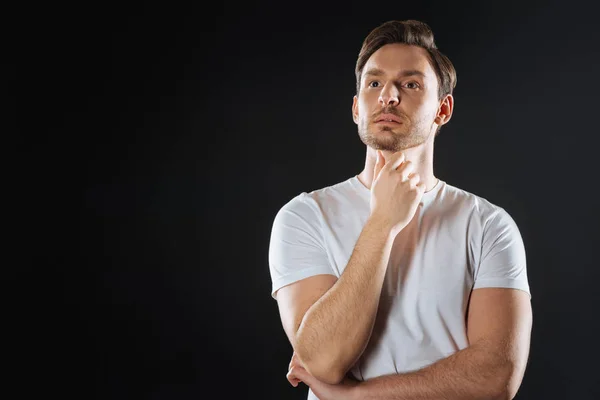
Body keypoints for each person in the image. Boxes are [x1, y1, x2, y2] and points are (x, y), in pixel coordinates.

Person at [267, 19, 532, 400]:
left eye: (410, 84)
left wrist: (355, 397)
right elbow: (324, 362)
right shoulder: (304, 217)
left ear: (443, 109)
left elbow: (496, 376)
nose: (388, 95)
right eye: (374, 83)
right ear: (357, 108)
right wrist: (383, 223)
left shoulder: (489, 225)